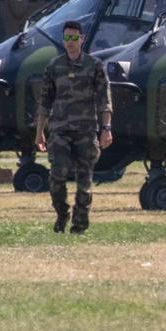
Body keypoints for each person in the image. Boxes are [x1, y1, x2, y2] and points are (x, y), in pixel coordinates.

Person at [34, 20, 113, 234]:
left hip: (86, 131)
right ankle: (61, 213)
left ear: (82, 39)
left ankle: (79, 224)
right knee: (57, 174)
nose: (70, 42)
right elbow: (44, 102)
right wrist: (40, 132)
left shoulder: (95, 66)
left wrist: (106, 128)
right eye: (66, 37)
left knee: (84, 180)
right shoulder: (54, 67)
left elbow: (104, 100)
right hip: (59, 130)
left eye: (74, 37)